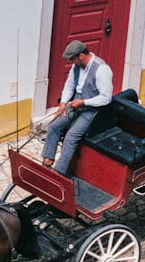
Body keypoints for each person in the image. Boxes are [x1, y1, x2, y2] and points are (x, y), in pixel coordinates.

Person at [41, 40, 114, 175]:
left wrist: (84, 102)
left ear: (81, 56)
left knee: (71, 137)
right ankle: (46, 164)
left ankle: (58, 173)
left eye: (72, 59)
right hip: (76, 104)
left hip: (92, 110)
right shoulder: (76, 66)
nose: (70, 62)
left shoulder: (101, 69)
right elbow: (69, 86)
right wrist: (62, 104)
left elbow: (106, 98)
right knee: (53, 126)